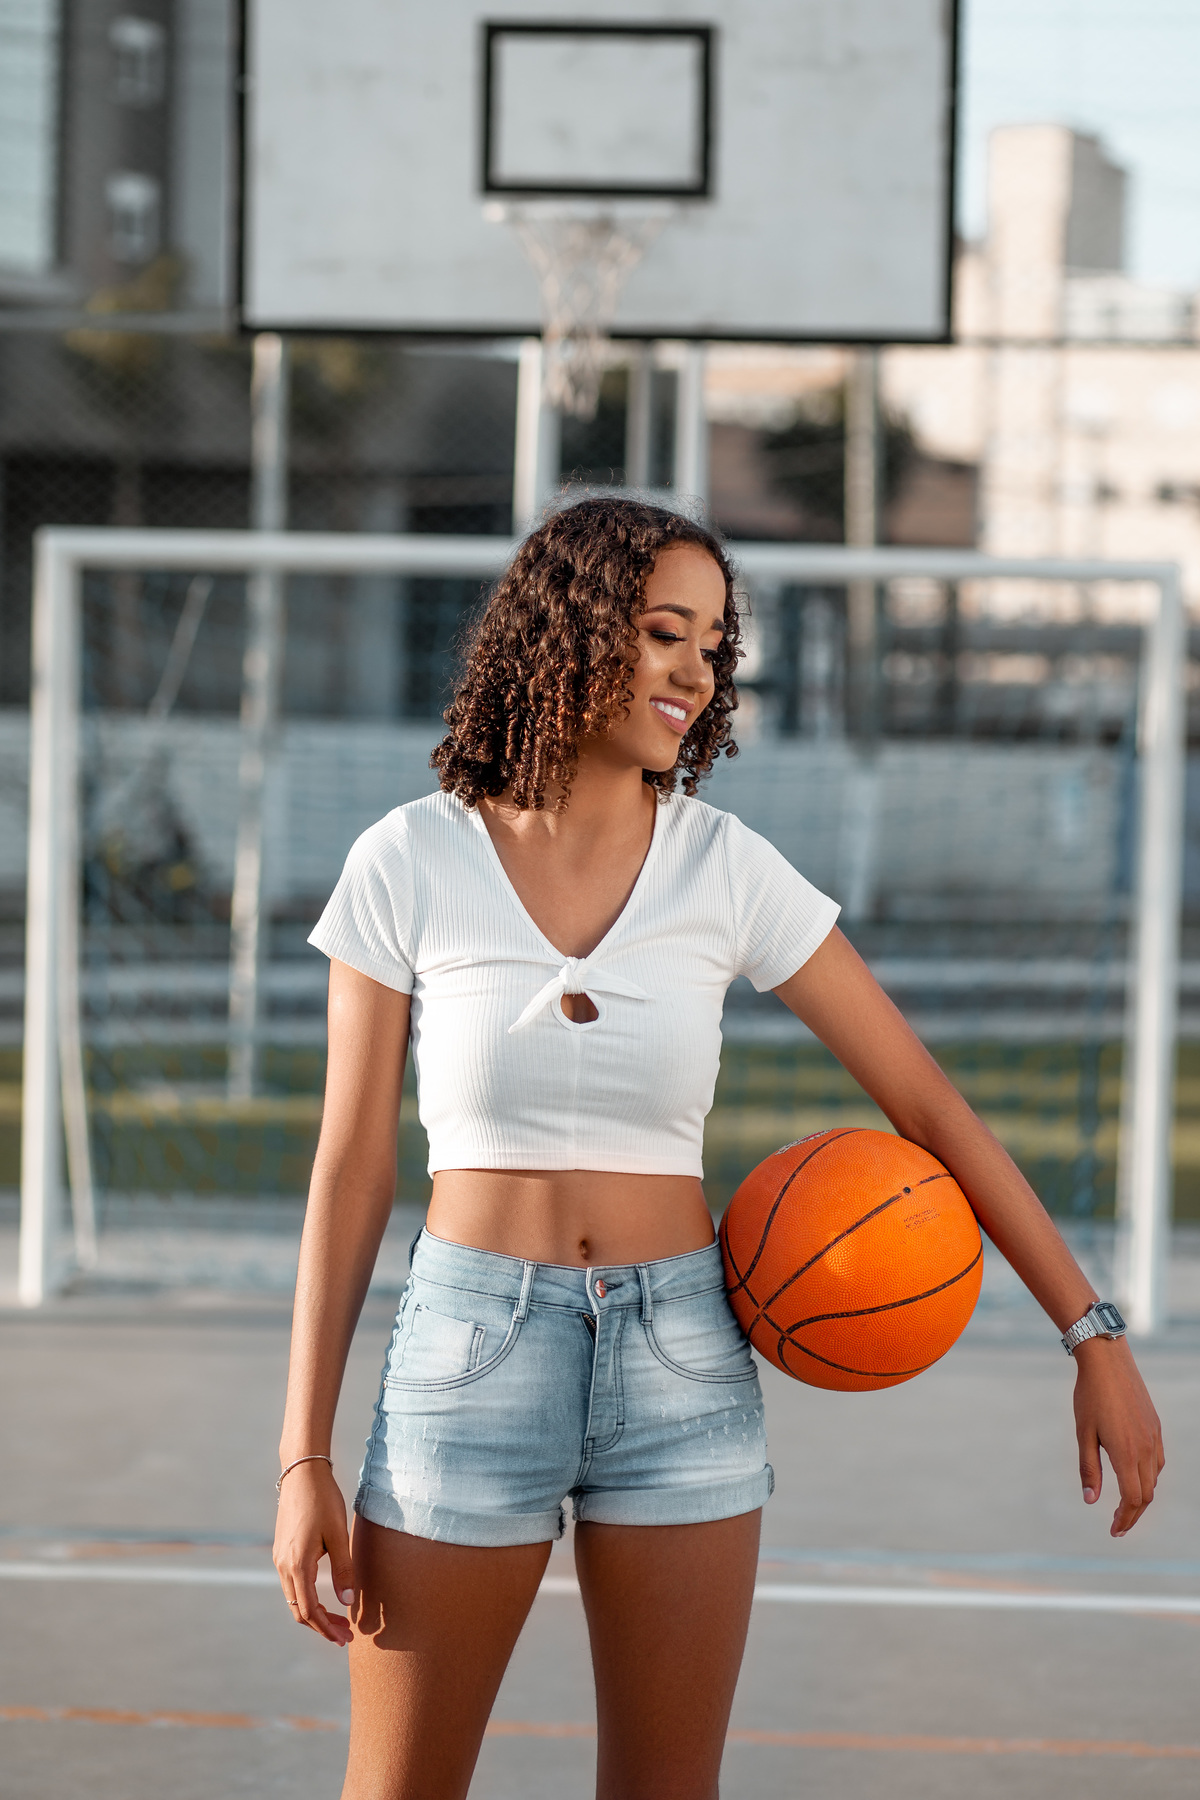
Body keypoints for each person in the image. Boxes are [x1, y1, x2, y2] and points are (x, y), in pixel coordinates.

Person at [273, 497, 1163, 1800]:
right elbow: (351, 1167)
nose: (696, 670)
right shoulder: (409, 857)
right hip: (469, 1357)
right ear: (571, 631)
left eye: (713, 645)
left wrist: (1093, 1335)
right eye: (664, 632)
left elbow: (930, 1108)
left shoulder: (727, 869)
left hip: (682, 1359)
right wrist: (303, 1455)